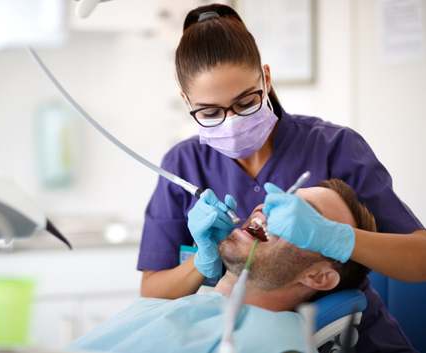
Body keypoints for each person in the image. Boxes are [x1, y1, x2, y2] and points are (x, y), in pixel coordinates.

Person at [137, 3, 425, 352]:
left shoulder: (334, 147)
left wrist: (340, 239)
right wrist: (202, 262)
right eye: (210, 112)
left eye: (245, 102)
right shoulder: (183, 164)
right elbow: (152, 291)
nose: (232, 121)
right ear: (186, 102)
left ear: (266, 79)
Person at [67, 180, 374, 353]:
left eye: (303, 215)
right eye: (282, 199)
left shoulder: (274, 342)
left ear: (318, 276)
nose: (269, 208)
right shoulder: (179, 305)